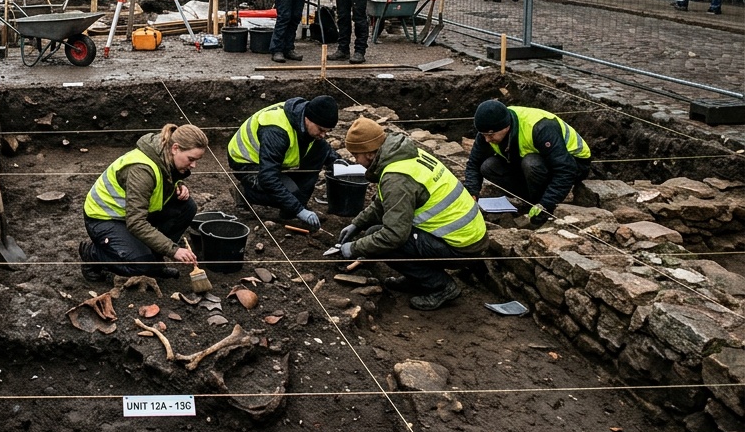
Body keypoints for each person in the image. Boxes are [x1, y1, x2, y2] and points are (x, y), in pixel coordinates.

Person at [334, 117, 489, 311]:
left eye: (356, 155)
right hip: (468, 235)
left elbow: (393, 236)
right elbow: (385, 203)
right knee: (375, 231)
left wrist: (354, 248)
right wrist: (357, 223)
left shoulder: (396, 178)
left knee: (385, 242)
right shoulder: (403, 155)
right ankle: (419, 280)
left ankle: (441, 286)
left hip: (462, 246)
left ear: (369, 153)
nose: (355, 160)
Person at [80, 124, 208, 282]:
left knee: (187, 207)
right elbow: (136, 222)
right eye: (191, 159)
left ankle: (153, 258)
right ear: (175, 148)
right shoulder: (142, 170)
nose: (194, 165)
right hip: (105, 217)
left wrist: (178, 185)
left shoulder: (164, 153)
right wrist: (173, 250)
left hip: (130, 213)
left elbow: (162, 180)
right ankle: (92, 254)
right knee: (141, 267)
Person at [463, 100, 591, 227]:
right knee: (488, 166)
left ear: (505, 126)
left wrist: (546, 203)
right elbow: (474, 163)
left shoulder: (540, 128)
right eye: (483, 135)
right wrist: (472, 193)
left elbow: (566, 169)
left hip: (574, 162)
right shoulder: (489, 129)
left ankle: (541, 205)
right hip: (530, 161)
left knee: (531, 163)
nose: (487, 139)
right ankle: (530, 202)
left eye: (490, 135)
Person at [227, 96, 342, 230]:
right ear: (307, 119)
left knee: (319, 151)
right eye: (321, 130)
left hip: (269, 159)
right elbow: (268, 178)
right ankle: (244, 193)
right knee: (289, 192)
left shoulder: (305, 118)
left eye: (327, 131)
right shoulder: (277, 131)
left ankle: (294, 207)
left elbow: (322, 148)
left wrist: (339, 163)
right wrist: (299, 210)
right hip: (246, 162)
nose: (323, 135)